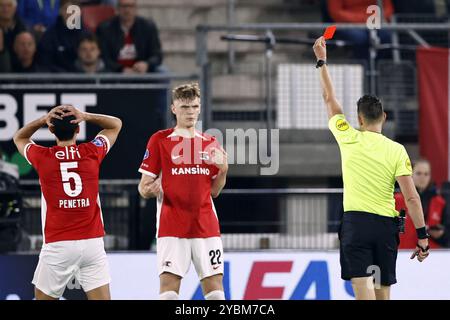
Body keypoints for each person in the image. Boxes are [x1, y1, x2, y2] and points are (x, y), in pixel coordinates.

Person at [313, 36, 429, 300]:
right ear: (384, 117)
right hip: (385, 228)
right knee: (382, 295)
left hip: (356, 224)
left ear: (359, 119)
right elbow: (411, 197)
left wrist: (322, 60)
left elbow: (329, 98)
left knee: (363, 294)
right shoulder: (397, 150)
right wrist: (422, 236)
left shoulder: (349, 136)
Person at [13, 105, 122, 300]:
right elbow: (115, 125)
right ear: (78, 129)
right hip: (92, 242)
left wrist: (41, 120)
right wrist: (86, 115)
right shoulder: (92, 152)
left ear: (51, 130)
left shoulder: (42, 157)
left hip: (58, 243)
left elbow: (19, 138)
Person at [138, 83, 228, 300]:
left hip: (205, 225)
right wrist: (151, 189)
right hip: (172, 225)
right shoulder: (160, 140)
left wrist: (224, 170)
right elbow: (143, 187)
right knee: (169, 292)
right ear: (174, 109)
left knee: (216, 293)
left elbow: (214, 192)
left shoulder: (210, 143)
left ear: (199, 108)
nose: (190, 112)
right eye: (185, 107)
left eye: (194, 106)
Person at [96, 0, 162, 73]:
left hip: (142, 70)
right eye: (124, 6)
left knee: (163, 72)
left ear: (136, 8)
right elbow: (104, 57)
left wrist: (146, 64)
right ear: (117, 9)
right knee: (103, 73)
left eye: (131, 6)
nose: (127, 10)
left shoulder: (148, 27)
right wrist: (121, 69)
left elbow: (157, 55)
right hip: (116, 71)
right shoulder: (105, 28)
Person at [395, 159, 448, 248]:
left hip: (431, 255)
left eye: (426, 174)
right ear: (411, 175)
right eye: (418, 173)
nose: (422, 177)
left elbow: (447, 235)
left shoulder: (440, 202)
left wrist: (441, 235)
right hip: (402, 253)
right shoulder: (397, 200)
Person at [326, 0, 394, 60]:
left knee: (386, 36)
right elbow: (335, 12)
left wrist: (375, 18)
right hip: (348, 23)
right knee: (360, 38)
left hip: (375, 21)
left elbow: (388, 9)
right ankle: (362, 66)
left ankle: (377, 67)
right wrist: (362, 19)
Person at [37, 0, 90, 72]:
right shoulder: (49, 36)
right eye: (66, 9)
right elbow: (45, 63)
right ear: (60, 11)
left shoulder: (87, 35)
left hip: (85, 80)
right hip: (57, 80)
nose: (70, 13)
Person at [0, 0, 26, 71]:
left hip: (20, 72)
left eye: (9, 6)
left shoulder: (23, 29)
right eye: (1, 6)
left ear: (15, 8)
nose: (5, 9)